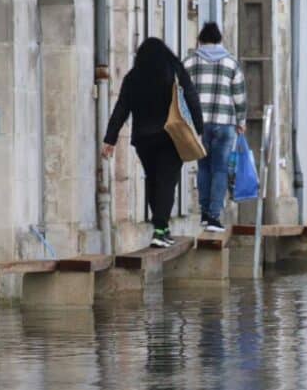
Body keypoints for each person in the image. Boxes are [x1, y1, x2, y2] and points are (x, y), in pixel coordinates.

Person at [102, 38, 204, 248]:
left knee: (153, 180)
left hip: (143, 139)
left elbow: (121, 109)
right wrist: (198, 128)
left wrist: (109, 139)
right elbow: (192, 98)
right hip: (170, 136)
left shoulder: (133, 77)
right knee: (167, 181)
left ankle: (162, 228)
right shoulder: (174, 72)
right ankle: (159, 230)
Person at [183, 22, 247, 233]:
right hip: (225, 122)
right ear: (220, 40)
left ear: (200, 40)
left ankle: (203, 212)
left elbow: (180, 92)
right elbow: (239, 96)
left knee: (203, 167)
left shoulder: (189, 62)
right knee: (220, 169)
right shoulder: (231, 63)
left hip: (199, 125)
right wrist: (241, 121)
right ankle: (213, 215)